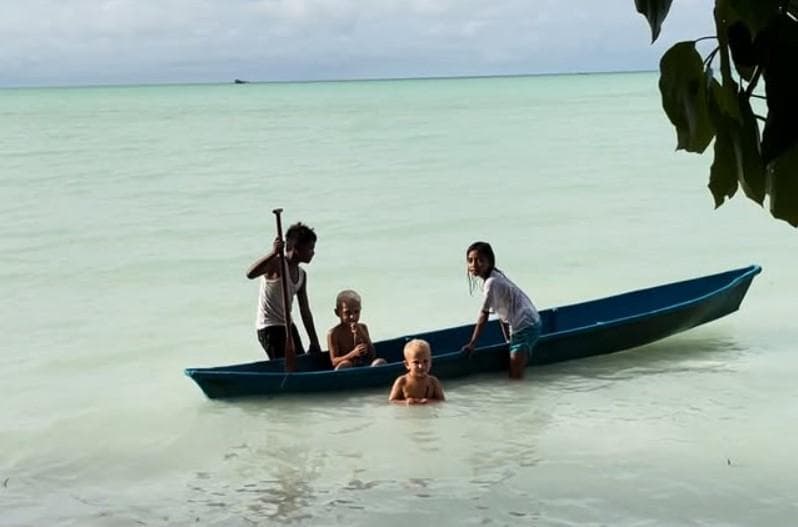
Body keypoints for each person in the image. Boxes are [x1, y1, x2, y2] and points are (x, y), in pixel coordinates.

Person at [461, 241, 541, 379]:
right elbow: (503, 312)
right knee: (515, 375)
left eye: (480, 260)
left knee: (515, 378)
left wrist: (472, 344)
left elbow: (483, 315)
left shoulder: (491, 282)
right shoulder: (494, 278)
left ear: (490, 262)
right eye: (470, 260)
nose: (474, 265)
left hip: (524, 326)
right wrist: (507, 339)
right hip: (528, 322)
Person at [246, 222, 322, 360]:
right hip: (269, 327)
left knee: (300, 361)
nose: (313, 252)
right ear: (297, 248)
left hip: (287, 325)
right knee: (285, 365)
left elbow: (305, 311)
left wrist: (314, 341)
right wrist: (273, 253)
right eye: (310, 248)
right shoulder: (277, 264)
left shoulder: (302, 275)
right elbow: (250, 274)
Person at [327, 290, 386, 369]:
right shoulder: (334, 334)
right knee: (344, 364)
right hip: (348, 370)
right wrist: (353, 354)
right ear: (337, 312)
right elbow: (334, 362)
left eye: (356, 312)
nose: (353, 317)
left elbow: (372, 355)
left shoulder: (363, 327)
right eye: (347, 313)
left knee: (380, 362)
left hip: (365, 366)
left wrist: (362, 334)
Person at [389, 339, 445, 404]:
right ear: (407, 364)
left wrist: (429, 402)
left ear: (430, 362)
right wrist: (406, 402)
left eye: (425, 361)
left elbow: (441, 401)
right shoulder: (402, 381)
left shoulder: (433, 382)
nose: (421, 366)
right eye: (416, 362)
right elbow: (392, 401)